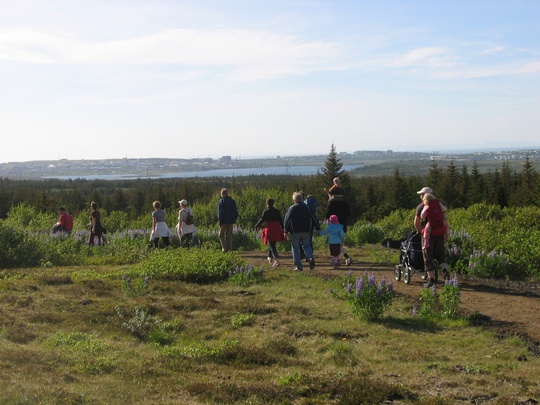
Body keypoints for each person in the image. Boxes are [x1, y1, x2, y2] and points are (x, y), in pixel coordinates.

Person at [283, 192, 321, 271]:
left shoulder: (292, 208)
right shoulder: (307, 208)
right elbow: (314, 218)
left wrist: (285, 231)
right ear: (302, 199)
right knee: (307, 246)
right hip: (306, 231)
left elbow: (287, 220)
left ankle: (299, 266)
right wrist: (318, 228)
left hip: (295, 231)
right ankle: (310, 258)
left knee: (295, 248)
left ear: (294, 200)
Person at [419, 193, 450, 287]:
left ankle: (431, 280)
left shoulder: (427, 206)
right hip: (440, 231)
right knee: (440, 254)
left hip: (431, 231)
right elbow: (444, 210)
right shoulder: (438, 204)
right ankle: (444, 270)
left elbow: (422, 216)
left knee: (428, 257)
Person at [254, 198, 285, 267]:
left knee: (272, 245)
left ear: (267, 204)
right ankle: (269, 257)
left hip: (270, 229)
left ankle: (276, 259)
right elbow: (281, 220)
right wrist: (283, 229)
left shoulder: (266, 212)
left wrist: (256, 225)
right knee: (273, 243)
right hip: (277, 228)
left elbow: (262, 219)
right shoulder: (277, 211)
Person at [325, 192, 353, 265]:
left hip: (333, 227)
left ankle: (346, 258)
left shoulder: (331, 202)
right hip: (342, 226)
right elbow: (348, 213)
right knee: (339, 244)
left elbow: (327, 213)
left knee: (336, 245)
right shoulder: (344, 202)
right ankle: (336, 258)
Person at [217, 188, 239, 252]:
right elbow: (236, 212)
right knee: (229, 235)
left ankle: (224, 248)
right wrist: (234, 219)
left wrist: (220, 223)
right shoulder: (232, 201)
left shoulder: (221, 201)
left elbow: (221, 213)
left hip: (224, 221)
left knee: (221, 235)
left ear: (222, 194)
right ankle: (230, 249)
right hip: (231, 221)